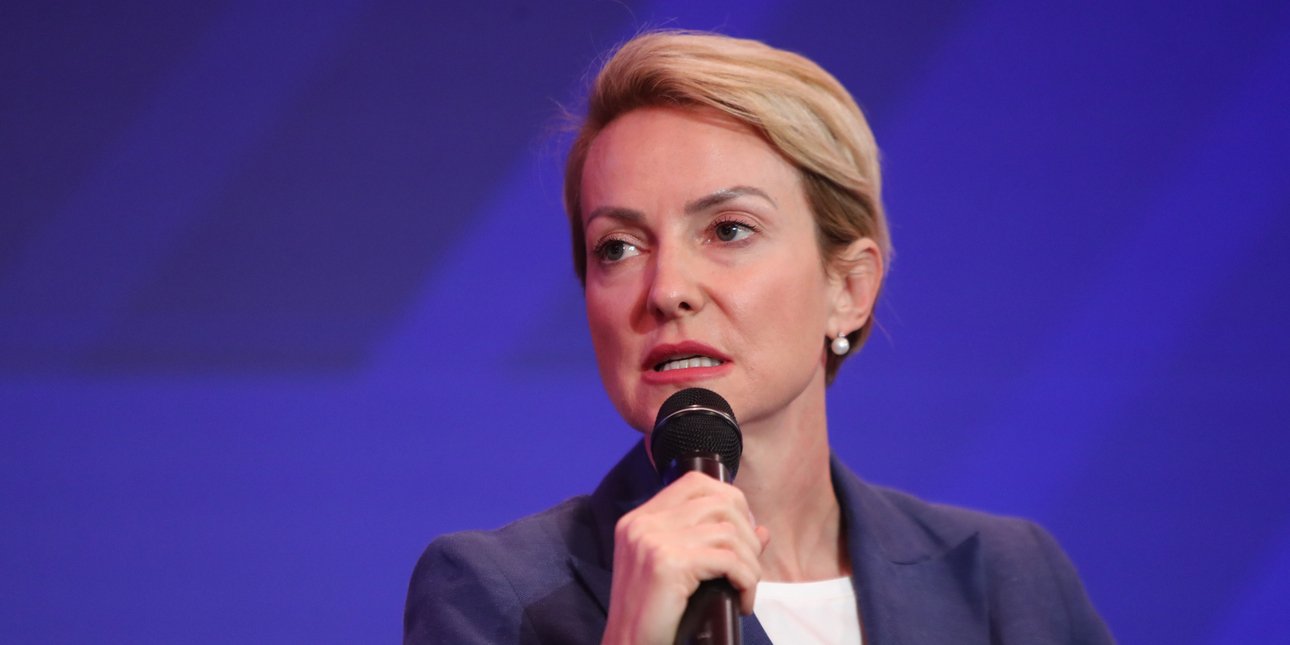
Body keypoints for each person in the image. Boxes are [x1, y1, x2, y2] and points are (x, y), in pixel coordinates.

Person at [404, 30, 1112, 644]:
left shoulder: (1012, 583)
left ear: (849, 288)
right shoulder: (493, 594)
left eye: (728, 230)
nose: (666, 289)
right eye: (617, 246)